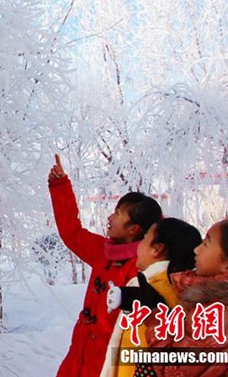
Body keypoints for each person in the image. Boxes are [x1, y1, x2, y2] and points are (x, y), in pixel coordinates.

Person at [49, 154, 163, 377]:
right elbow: (71, 231)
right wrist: (60, 185)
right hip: (79, 356)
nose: (110, 217)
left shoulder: (144, 270)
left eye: (118, 213)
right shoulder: (104, 252)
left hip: (109, 364)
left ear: (134, 229)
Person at [147, 218, 228, 377]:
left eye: (206, 243)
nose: (196, 250)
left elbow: (173, 371)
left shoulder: (220, 319)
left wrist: (157, 319)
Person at [101, 218, 202, 377]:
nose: (139, 245)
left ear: (157, 249)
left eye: (145, 238)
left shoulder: (151, 290)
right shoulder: (182, 289)